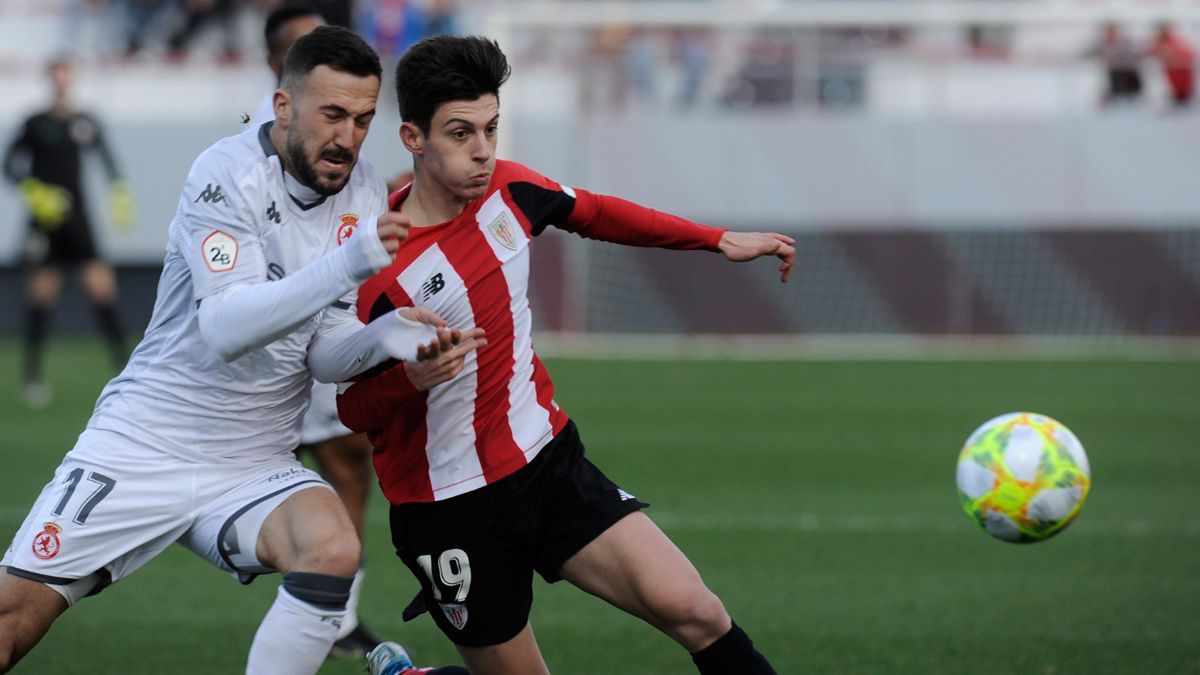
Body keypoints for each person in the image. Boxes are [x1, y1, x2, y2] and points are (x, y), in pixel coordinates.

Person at [0, 26, 479, 675]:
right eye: (331, 114)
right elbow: (228, 327)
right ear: (284, 107)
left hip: (253, 460)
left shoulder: (363, 191)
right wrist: (352, 259)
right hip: (145, 442)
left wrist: (386, 339)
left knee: (332, 543)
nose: (347, 137)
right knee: (13, 619)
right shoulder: (224, 175)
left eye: (364, 119)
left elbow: (323, 353)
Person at [329, 35, 792, 675]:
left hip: (548, 464)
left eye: (491, 129)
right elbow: (348, 407)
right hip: (448, 507)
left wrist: (716, 240)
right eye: (460, 134)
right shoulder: (375, 268)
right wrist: (412, 379)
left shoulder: (512, 191)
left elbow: (598, 213)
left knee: (697, 611)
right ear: (413, 138)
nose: (483, 151)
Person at [252, 1, 389, 659]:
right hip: (262, 348)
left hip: (326, 329)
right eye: (307, 48)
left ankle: (339, 613)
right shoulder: (249, 147)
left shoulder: (344, 149)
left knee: (350, 461)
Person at [3, 57, 134, 408]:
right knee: (41, 296)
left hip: (79, 219)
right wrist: (35, 192)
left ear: (71, 80)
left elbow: (107, 161)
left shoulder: (85, 121)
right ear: (50, 80)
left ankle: (126, 370)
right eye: (56, 76)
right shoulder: (35, 123)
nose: (61, 82)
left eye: (66, 76)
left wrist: (118, 191)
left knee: (102, 290)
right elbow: (9, 166)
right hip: (44, 221)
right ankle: (32, 375)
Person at [1148, 23, 1195, 107]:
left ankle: (1184, 102)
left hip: (1181, 67)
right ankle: (1179, 102)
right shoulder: (1158, 42)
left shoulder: (1176, 41)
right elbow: (1151, 51)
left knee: (1183, 86)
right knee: (1176, 87)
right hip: (1171, 68)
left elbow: (1187, 53)